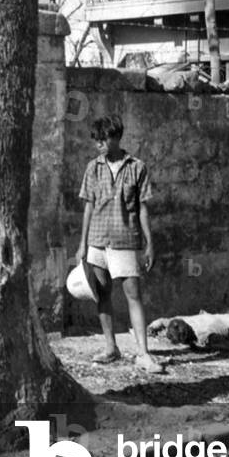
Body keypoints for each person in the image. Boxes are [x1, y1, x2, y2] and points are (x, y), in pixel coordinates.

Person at [75, 114, 163, 374]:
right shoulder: (93, 168)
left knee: (133, 295)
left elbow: (143, 208)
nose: (99, 144)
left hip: (126, 239)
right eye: (96, 140)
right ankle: (111, 347)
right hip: (97, 241)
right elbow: (88, 207)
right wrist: (82, 244)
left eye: (103, 139)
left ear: (116, 138)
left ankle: (143, 353)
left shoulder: (137, 167)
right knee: (102, 294)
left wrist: (149, 243)